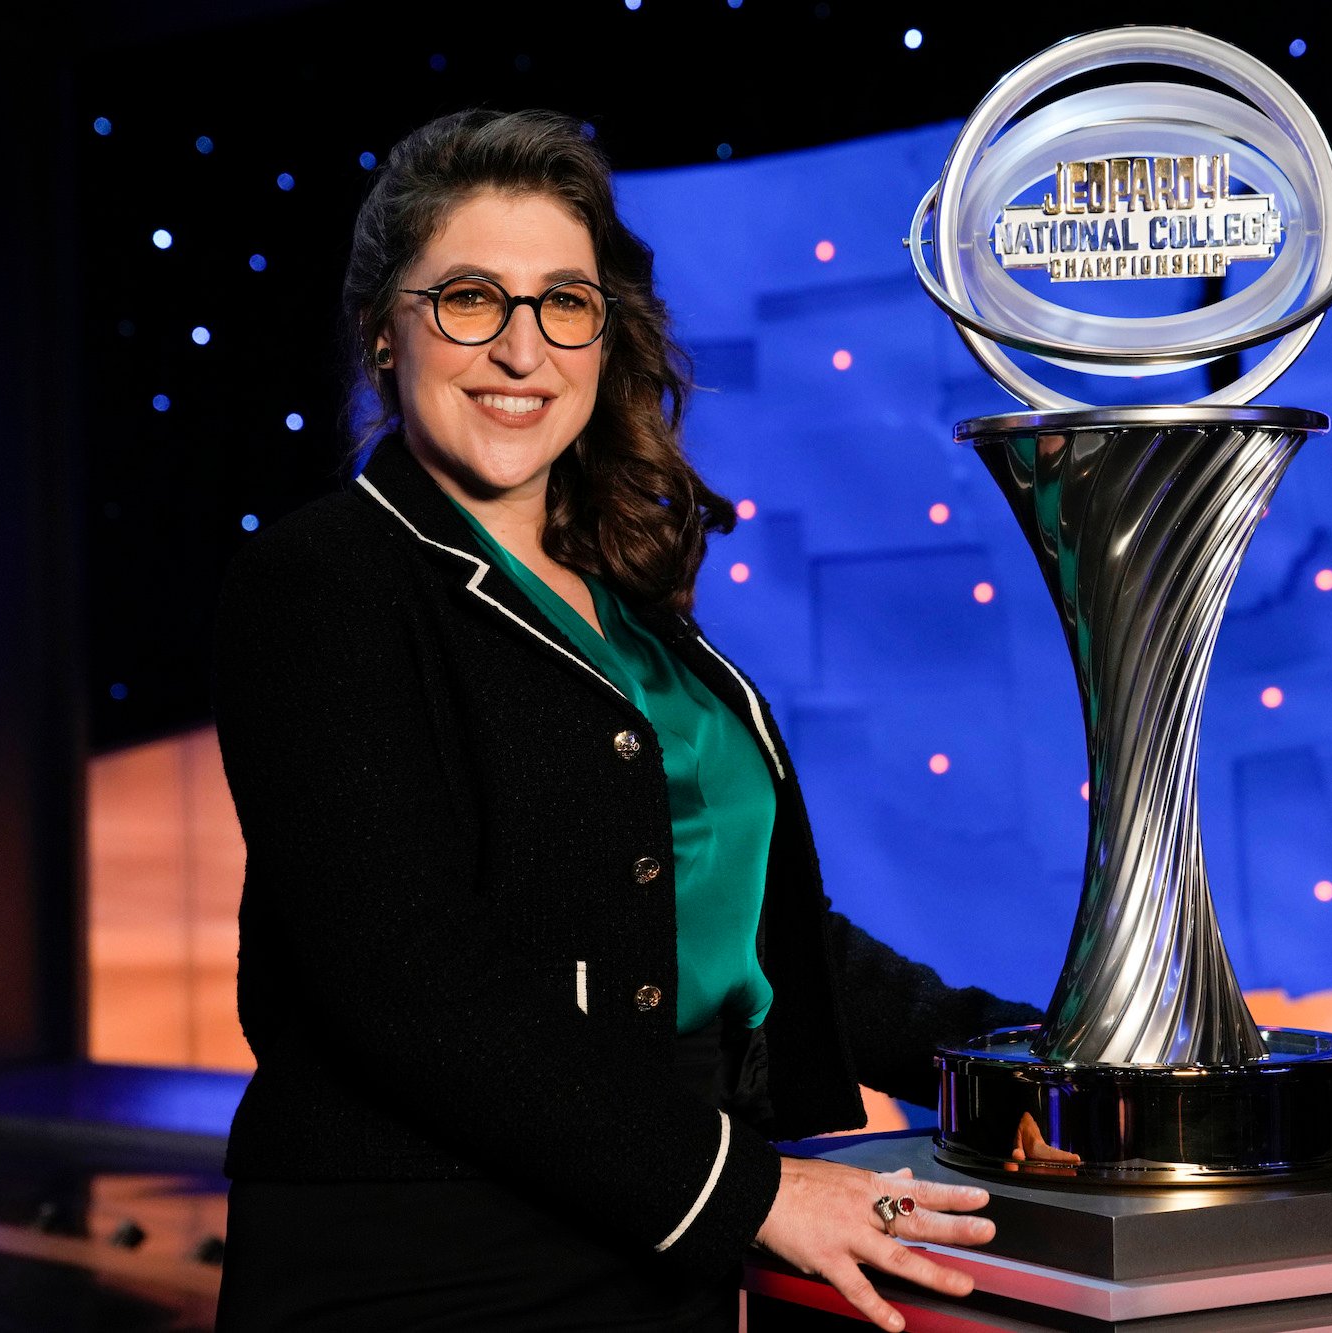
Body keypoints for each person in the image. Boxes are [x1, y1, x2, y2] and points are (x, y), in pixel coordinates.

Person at [209, 107, 1040, 1332]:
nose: (519, 348)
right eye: (469, 299)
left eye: (564, 303)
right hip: (429, 1261)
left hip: (655, 1244)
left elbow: (730, 915)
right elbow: (405, 982)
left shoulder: (626, 599)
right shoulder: (321, 583)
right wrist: (742, 1188)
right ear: (384, 334)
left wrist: (1003, 1061)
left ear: (605, 336)